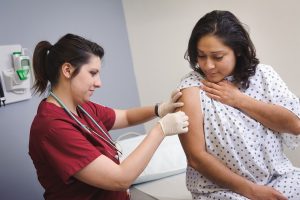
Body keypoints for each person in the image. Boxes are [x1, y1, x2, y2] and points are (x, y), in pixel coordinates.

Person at [29, 33, 189, 200]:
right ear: (67, 70)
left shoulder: (82, 108)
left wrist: (159, 109)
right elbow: (120, 179)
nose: (99, 83)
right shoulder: (52, 128)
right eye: (93, 73)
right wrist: (160, 130)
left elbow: (126, 117)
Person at [177, 10, 300, 200]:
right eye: (201, 56)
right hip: (221, 190)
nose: (208, 65)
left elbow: (294, 125)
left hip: (279, 178)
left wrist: (239, 99)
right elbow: (196, 157)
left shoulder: (264, 75)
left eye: (217, 57)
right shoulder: (190, 89)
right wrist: (251, 191)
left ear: (238, 51)